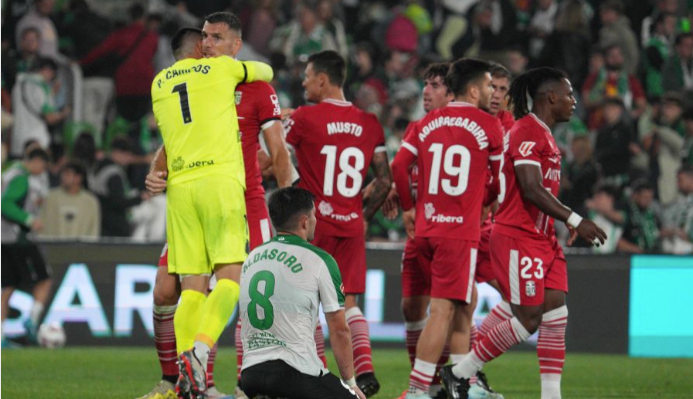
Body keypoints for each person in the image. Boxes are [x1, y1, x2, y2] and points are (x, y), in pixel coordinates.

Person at [141, 12, 296, 399]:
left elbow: (277, 150)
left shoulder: (254, 89)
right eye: (205, 38)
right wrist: (155, 170)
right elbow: (172, 140)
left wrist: (288, 202)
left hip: (244, 199)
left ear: (235, 45)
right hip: (215, 189)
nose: (208, 43)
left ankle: (245, 385)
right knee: (174, 288)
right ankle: (187, 379)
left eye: (216, 37)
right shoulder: (217, 75)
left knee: (250, 294)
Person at [440, 67, 607, 399]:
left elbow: (541, 192)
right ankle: (459, 373)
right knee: (528, 319)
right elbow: (531, 189)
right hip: (518, 238)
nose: (574, 102)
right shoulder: (526, 131)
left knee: (556, 313)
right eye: (570, 95)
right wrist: (574, 220)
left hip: (543, 240)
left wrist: (558, 224)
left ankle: (550, 396)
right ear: (551, 97)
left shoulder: (543, 133)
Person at [391, 58, 504, 399]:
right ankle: (417, 390)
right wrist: (486, 200)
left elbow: (399, 165)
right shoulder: (489, 126)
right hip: (458, 233)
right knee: (442, 310)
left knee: (463, 303)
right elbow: (497, 183)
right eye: (488, 86)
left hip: (426, 228)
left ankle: (464, 385)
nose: (493, 92)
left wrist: (410, 209)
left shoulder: (425, 123)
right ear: (473, 90)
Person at [285, 50, 392, 397]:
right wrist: (363, 216)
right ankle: (364, 370)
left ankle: (316, 374)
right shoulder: (370, 122)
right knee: (349, 305)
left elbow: (274, 156)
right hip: (350, 226)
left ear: (322, 79)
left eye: (307, 75)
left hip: (313, 224)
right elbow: (385, 180)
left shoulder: (305, 118)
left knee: (306, 304)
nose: (303, 82)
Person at [239, 187, 366, 399]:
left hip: (250, 373)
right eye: (314, 215)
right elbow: (340, 330)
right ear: (305, 221)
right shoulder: (319, 259)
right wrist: (350, 383)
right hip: (294, 372)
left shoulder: (251, 258)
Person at [385, 63, 455, 399]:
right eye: (426, 84)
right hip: (422, 231)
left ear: (452, 92)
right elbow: (403, 169)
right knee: (411, 307)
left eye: (437, 85)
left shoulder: (467, 129)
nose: (427, 91)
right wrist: (397, 192)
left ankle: (457, 379)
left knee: (455, 311)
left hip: (456, 232)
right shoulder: (419, 127)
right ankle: (428, 387)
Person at [1, 147, 51, 347]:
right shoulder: (22, 178)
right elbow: (5, 203)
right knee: (44, 278)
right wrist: (29, 219)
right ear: (37, 162)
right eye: (43, 166)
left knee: (7, 287)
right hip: (17, 238)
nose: (42, 171)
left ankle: (1, 338)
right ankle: (33, 320)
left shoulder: (9, 171)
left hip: (3, 238)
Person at [80, 3, 158, 123]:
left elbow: (101, 50)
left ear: (129, 17)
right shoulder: (152, 37)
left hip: (124, 84)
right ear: (144, 17)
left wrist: (81, 62)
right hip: (145, 83)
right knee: (140, 121)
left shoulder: (122, 34)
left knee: (123, 120)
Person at [10, 57, 70, 158]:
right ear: (48, 71)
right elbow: (50, 118)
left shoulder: (17, 85)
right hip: (37, 143)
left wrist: (51, 94)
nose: (51, 78)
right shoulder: (42, 87)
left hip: (17, 142)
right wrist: (64, 113)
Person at [39, 161, 100, 238]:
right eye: (63, 174)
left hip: (80, 248)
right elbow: (41, 223)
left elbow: (94, 229)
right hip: (53, 247)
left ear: (78, 178)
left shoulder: (90, 201)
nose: (63, 177)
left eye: (68, 174)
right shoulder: (50, 197)